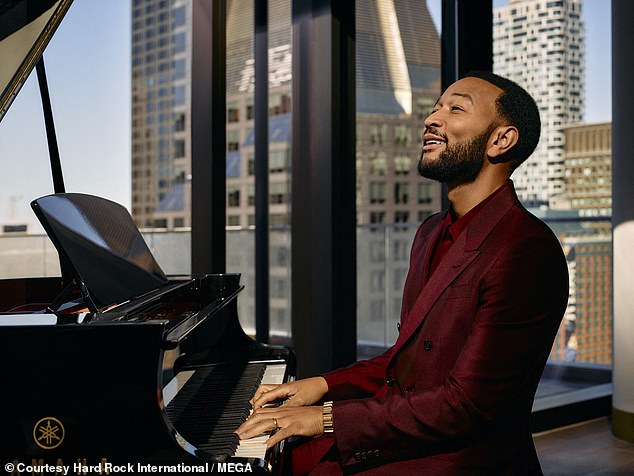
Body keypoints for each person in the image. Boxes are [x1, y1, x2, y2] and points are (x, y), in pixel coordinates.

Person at [236, 71, 569, 475]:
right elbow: (405, 362)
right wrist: (321, 386)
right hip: (411, 434)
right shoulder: (430, 232)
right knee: (276, 456)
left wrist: (324, 418)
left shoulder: (525, 248)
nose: (432, 118)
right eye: (435, 108)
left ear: (501, 140)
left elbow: (466, 405)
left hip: (458, 459)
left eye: (455, 108)